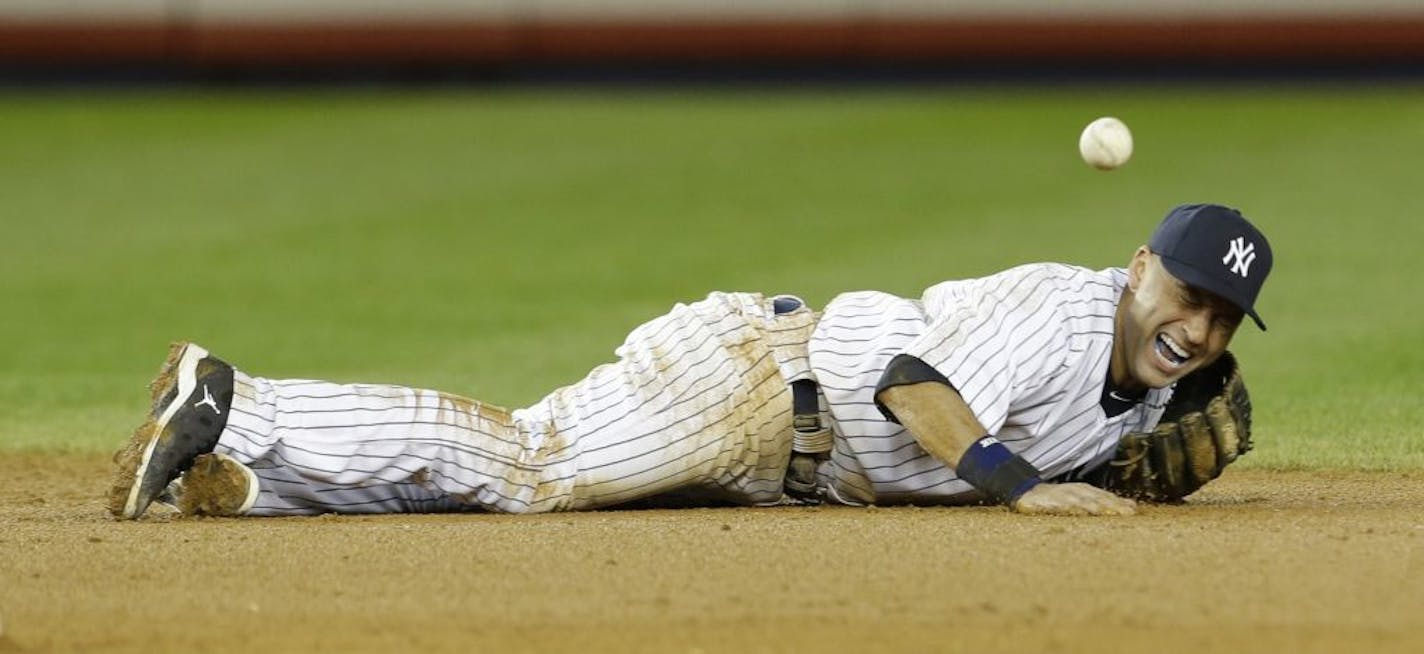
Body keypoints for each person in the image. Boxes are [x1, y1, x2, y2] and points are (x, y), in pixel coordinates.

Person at [108, 203, 1273, 520]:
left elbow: (1111, 445)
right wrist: (1024, 489)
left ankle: (253, 485)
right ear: (1135, 270)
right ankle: (233, 401)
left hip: (780, 469)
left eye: (1224, 319)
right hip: (759, 382)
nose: (1199, 331)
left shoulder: (1148, 392)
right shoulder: (1053, 310)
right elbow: (912, 389)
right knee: (533, 462)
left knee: (524, 496)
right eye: (1186, 296)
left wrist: (1123, 471)